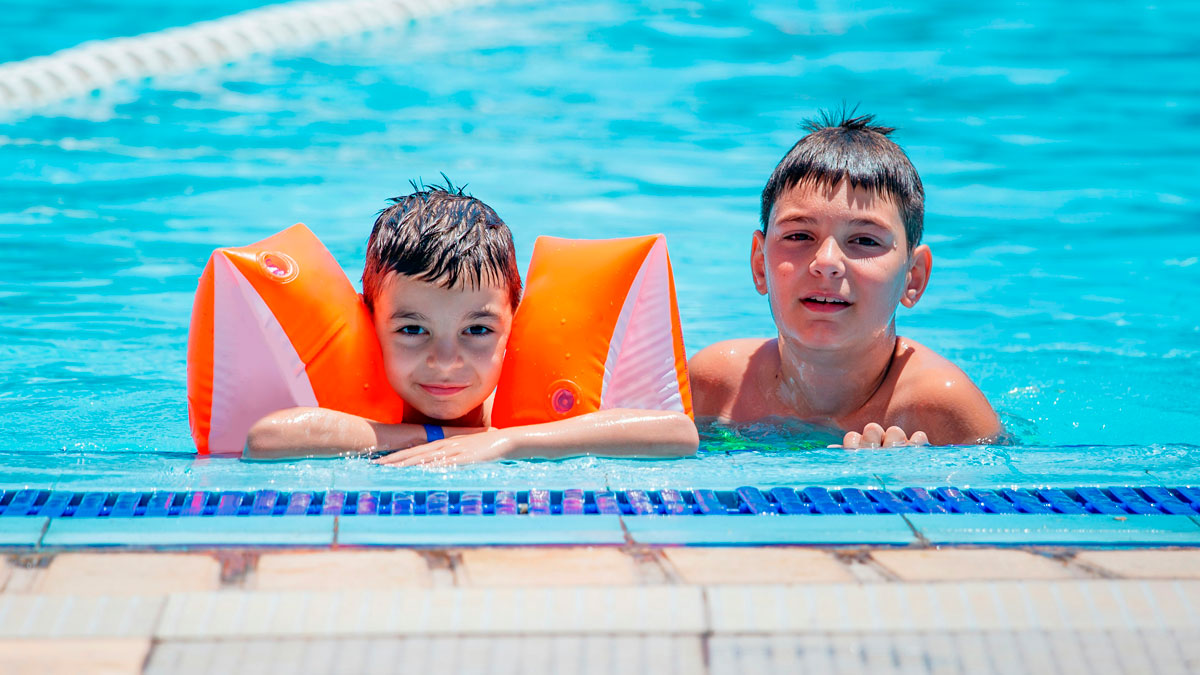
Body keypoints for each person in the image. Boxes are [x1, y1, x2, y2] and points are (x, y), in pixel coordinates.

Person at [245, 182, 698, 464]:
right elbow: (267, 438)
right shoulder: (353, 407)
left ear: (513, 322)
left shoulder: (517, 416)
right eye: (413, 330)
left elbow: (676, 432)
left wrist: (506, 442)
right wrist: (441, 437)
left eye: (477, 330)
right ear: (370, 320)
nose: (446, 362)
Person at [688, 110, 1001, 448]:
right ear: (760, 264)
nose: (826, 263)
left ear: (913, 277)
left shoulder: (943, 410)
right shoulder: (715, 387)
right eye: (798, 236)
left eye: (864, 240)